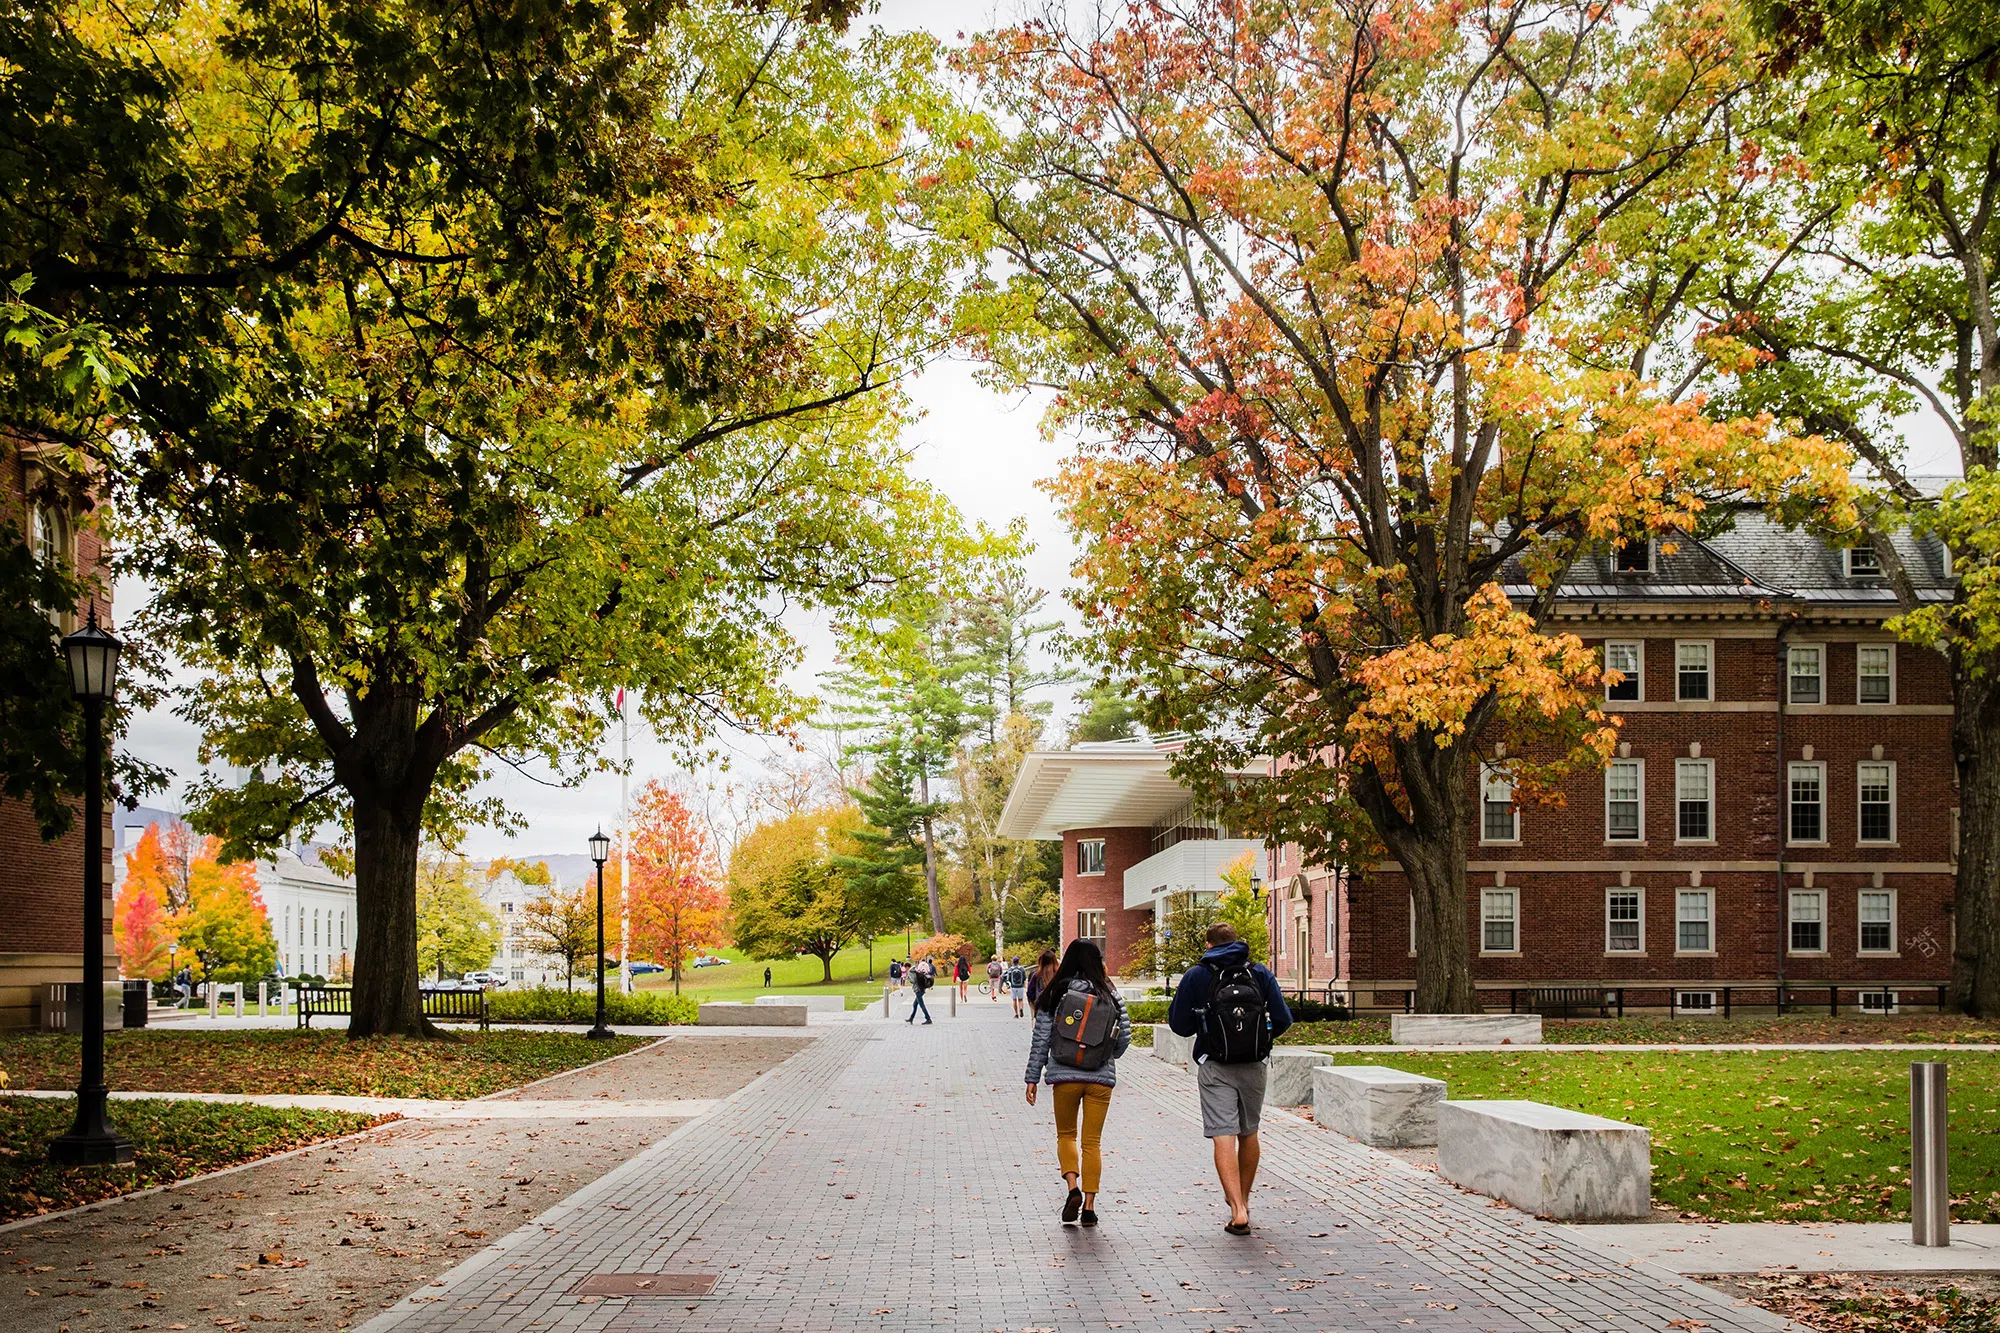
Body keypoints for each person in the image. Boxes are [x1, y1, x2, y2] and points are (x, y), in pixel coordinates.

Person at [1167, 922, 1293, 1235]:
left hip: (1215, 1065)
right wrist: (1260, 1041)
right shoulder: (1259, 972)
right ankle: (1246, 1202)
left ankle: (1236, 1209)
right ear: (1235, 942)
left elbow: (1180, 1025)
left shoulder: (1198, 975)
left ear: (1209, 945)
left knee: (1223, 1133)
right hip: (1254, 1064)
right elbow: (1283, 1019)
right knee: (1249, 1132)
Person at [1023, 939, 1130, 1228]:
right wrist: (1106, 1055)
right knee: (1092, 1143)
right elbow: (1124, 1036)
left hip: (1065, 1075)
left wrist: (1032, 1077)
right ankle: (1090, 1207)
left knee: (1066, 1136)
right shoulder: (1110, 992)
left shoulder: (1055, 992)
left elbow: (1041, 1038)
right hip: (1100, 1078)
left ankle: (1072, 1188)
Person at [907, 956, 935, 1024]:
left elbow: (913, 981)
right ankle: (911, 1018)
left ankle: (928, 1018)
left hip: (918, 990)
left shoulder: (913, 972)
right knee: (915, 1004)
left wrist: (908, 978)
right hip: (921, 989)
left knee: (921, 1005)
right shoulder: (919, 971)